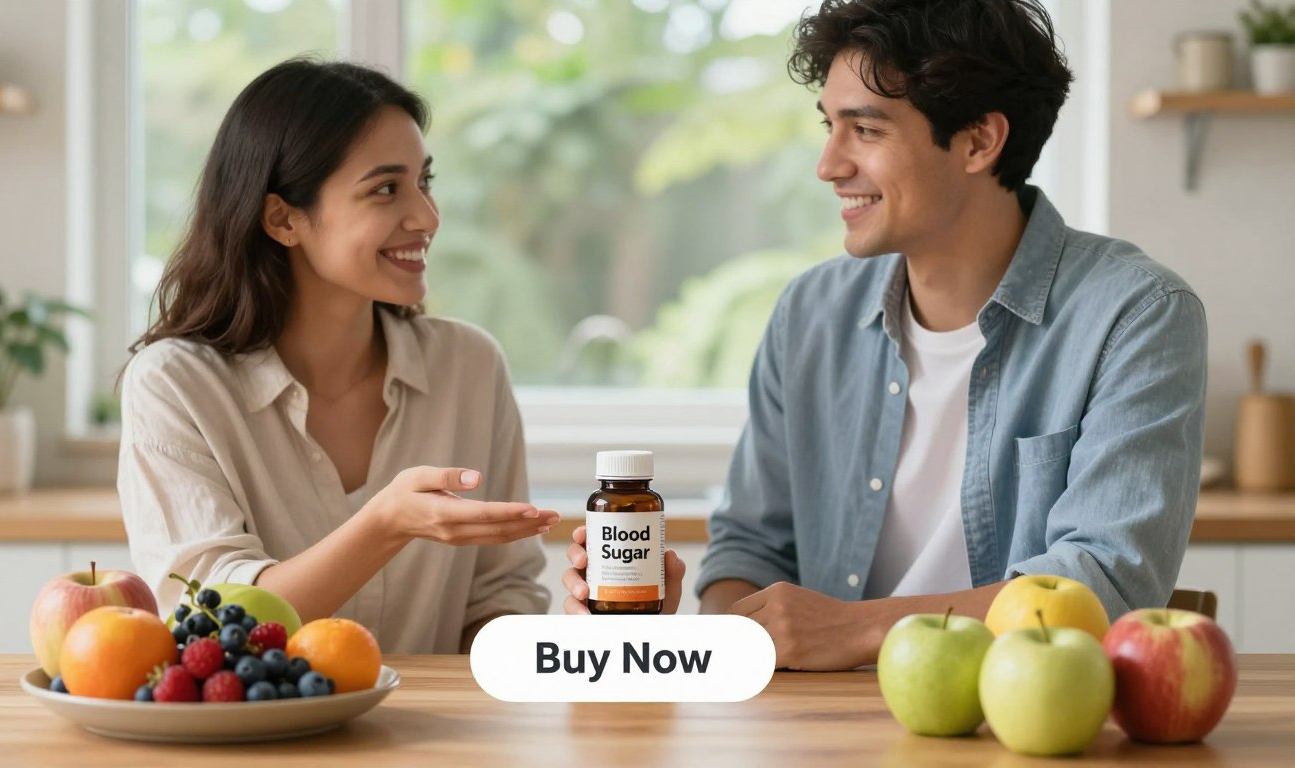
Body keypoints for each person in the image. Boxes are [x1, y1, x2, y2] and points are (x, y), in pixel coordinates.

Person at [563, 0, 1206, 671]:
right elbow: (750, 550)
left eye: (865, 129)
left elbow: (1104, 582)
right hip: (820, 721)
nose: (828, 165)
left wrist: (852, 628)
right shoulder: (810, 313)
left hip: (1024, 715)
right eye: (830, 127)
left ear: (980, 141)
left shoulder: (1136, 314)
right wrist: (696, 637)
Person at [119, 59, 559, 654]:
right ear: (283, 219)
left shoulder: (469, 366)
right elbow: (216, 623)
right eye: (386, 189)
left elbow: (501, 597)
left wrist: (600, 629)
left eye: (424, 181)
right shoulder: (175, 386)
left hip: (435, 720)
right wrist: (385, 524)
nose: (427, 217)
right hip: (266, 720)